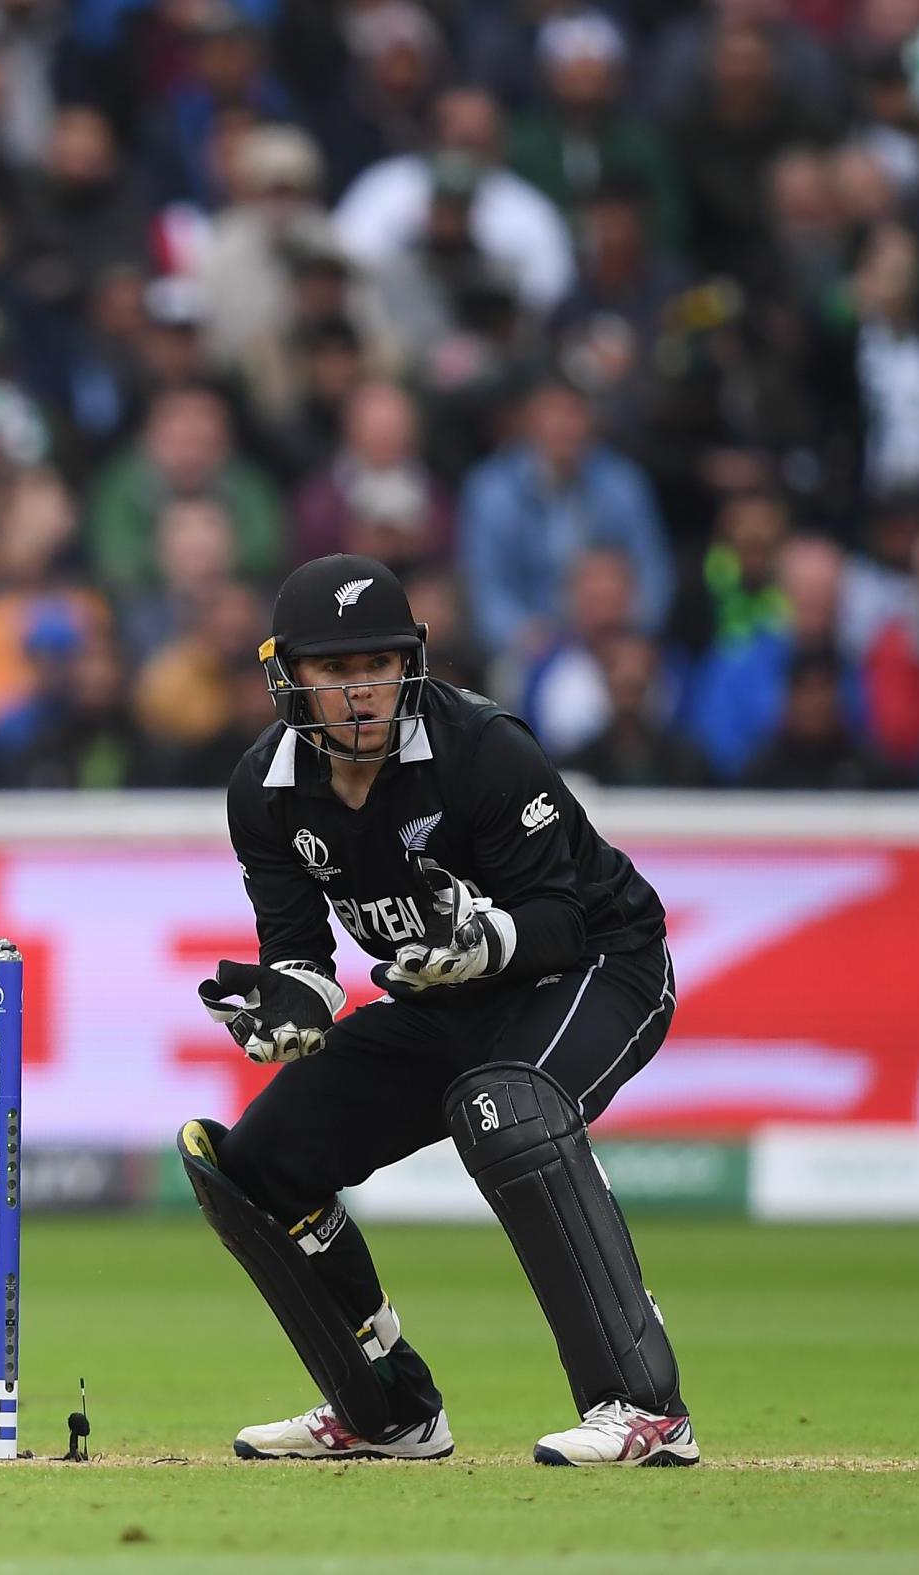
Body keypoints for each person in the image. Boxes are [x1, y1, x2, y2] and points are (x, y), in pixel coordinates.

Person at [180, 553, 695, 1467]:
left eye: (377, 664)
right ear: (288, 675)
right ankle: (385, 1409)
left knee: (508, 1109)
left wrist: (488, 939)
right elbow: (303, 953)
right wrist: (291, 1002)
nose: (361, 691)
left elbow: (564, 918)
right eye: (335, 670)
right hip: (444, 992)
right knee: (260, 1161)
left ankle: (646, 1409)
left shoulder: (483, 748)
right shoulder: (264, 790)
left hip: (596, 965)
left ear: (408, 662)